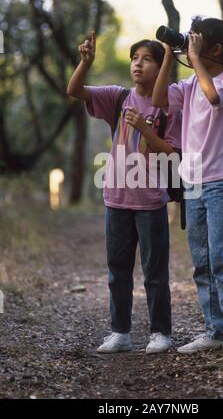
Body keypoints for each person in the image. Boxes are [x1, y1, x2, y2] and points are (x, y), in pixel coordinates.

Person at [67, 32, 181, 354]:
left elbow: (172, 153)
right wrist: (85, 62)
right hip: (116, 198)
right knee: (118, 270)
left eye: (146, 59)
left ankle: (161, 333)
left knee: (155, 273)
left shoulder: (170, 106)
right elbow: (74, 90)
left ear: (161, 67)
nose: (138, 64)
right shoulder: (118, 98)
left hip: (151, 201)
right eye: (135, 58)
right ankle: (121, 333)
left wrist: (145, 129)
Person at [152, 17, 223, 356]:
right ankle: (214, 330)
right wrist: (169, 54)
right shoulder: (190, 83)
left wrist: (194, 60)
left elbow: (213, 98)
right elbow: (159, 100)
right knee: (201, 260)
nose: (191, 47)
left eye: (197, 43)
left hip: (221, 180)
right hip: (192, 180)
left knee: (221, 258)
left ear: (216, 49)